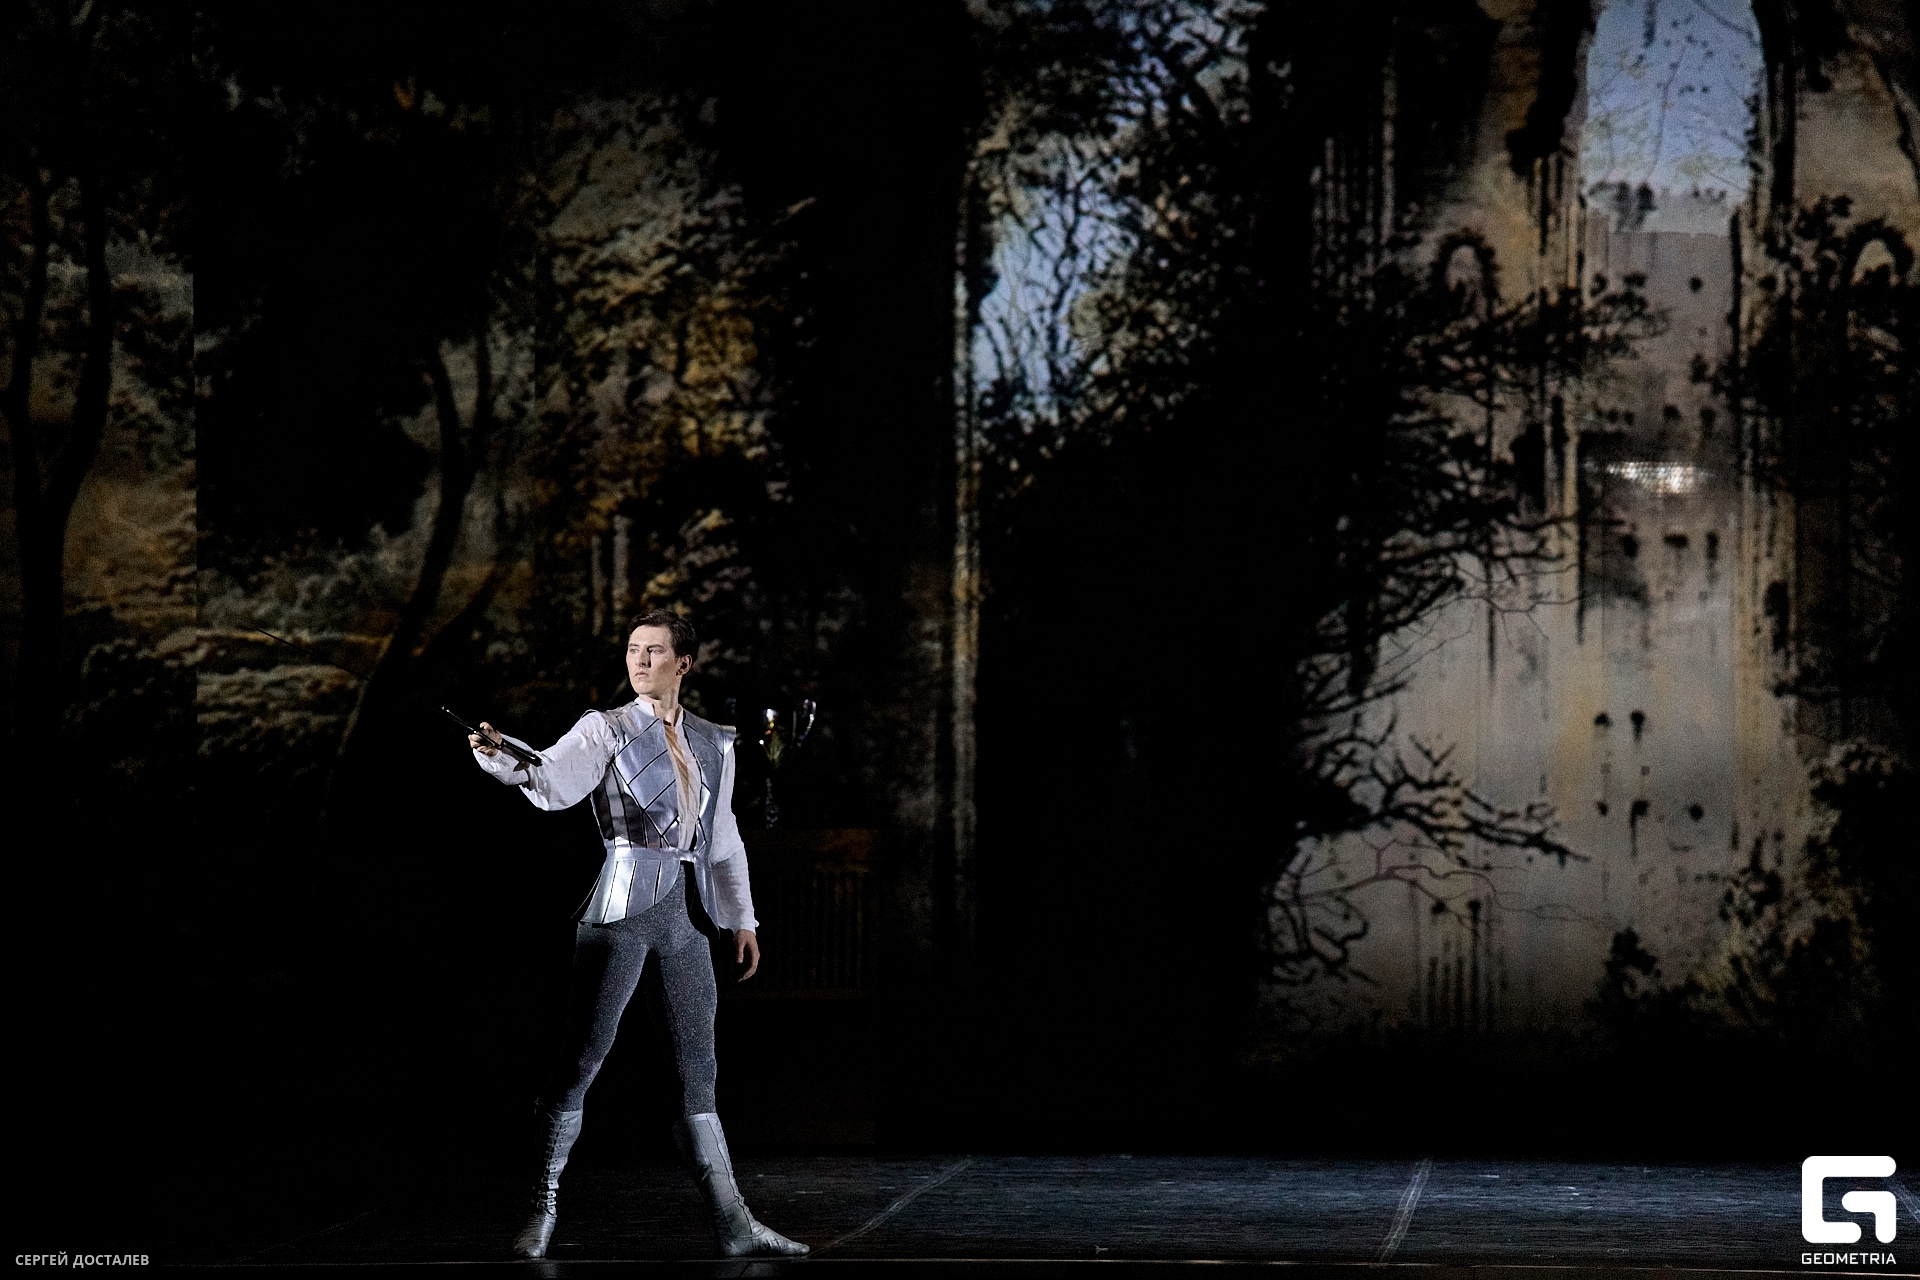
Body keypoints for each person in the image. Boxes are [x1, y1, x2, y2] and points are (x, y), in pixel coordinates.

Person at [468, 609, 807, 1260]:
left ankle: (734, 1223)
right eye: (632, 650)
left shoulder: (715, 740)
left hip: (687, 917)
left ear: (684, 663)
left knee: (698, 1074)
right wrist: (503, 755)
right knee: (581, 1059)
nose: (640, 660)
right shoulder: (607, 728)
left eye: (654, 651)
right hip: (621, 907)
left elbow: (723, 838)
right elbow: (553, 779)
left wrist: (742, 919)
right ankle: (541, 1208)